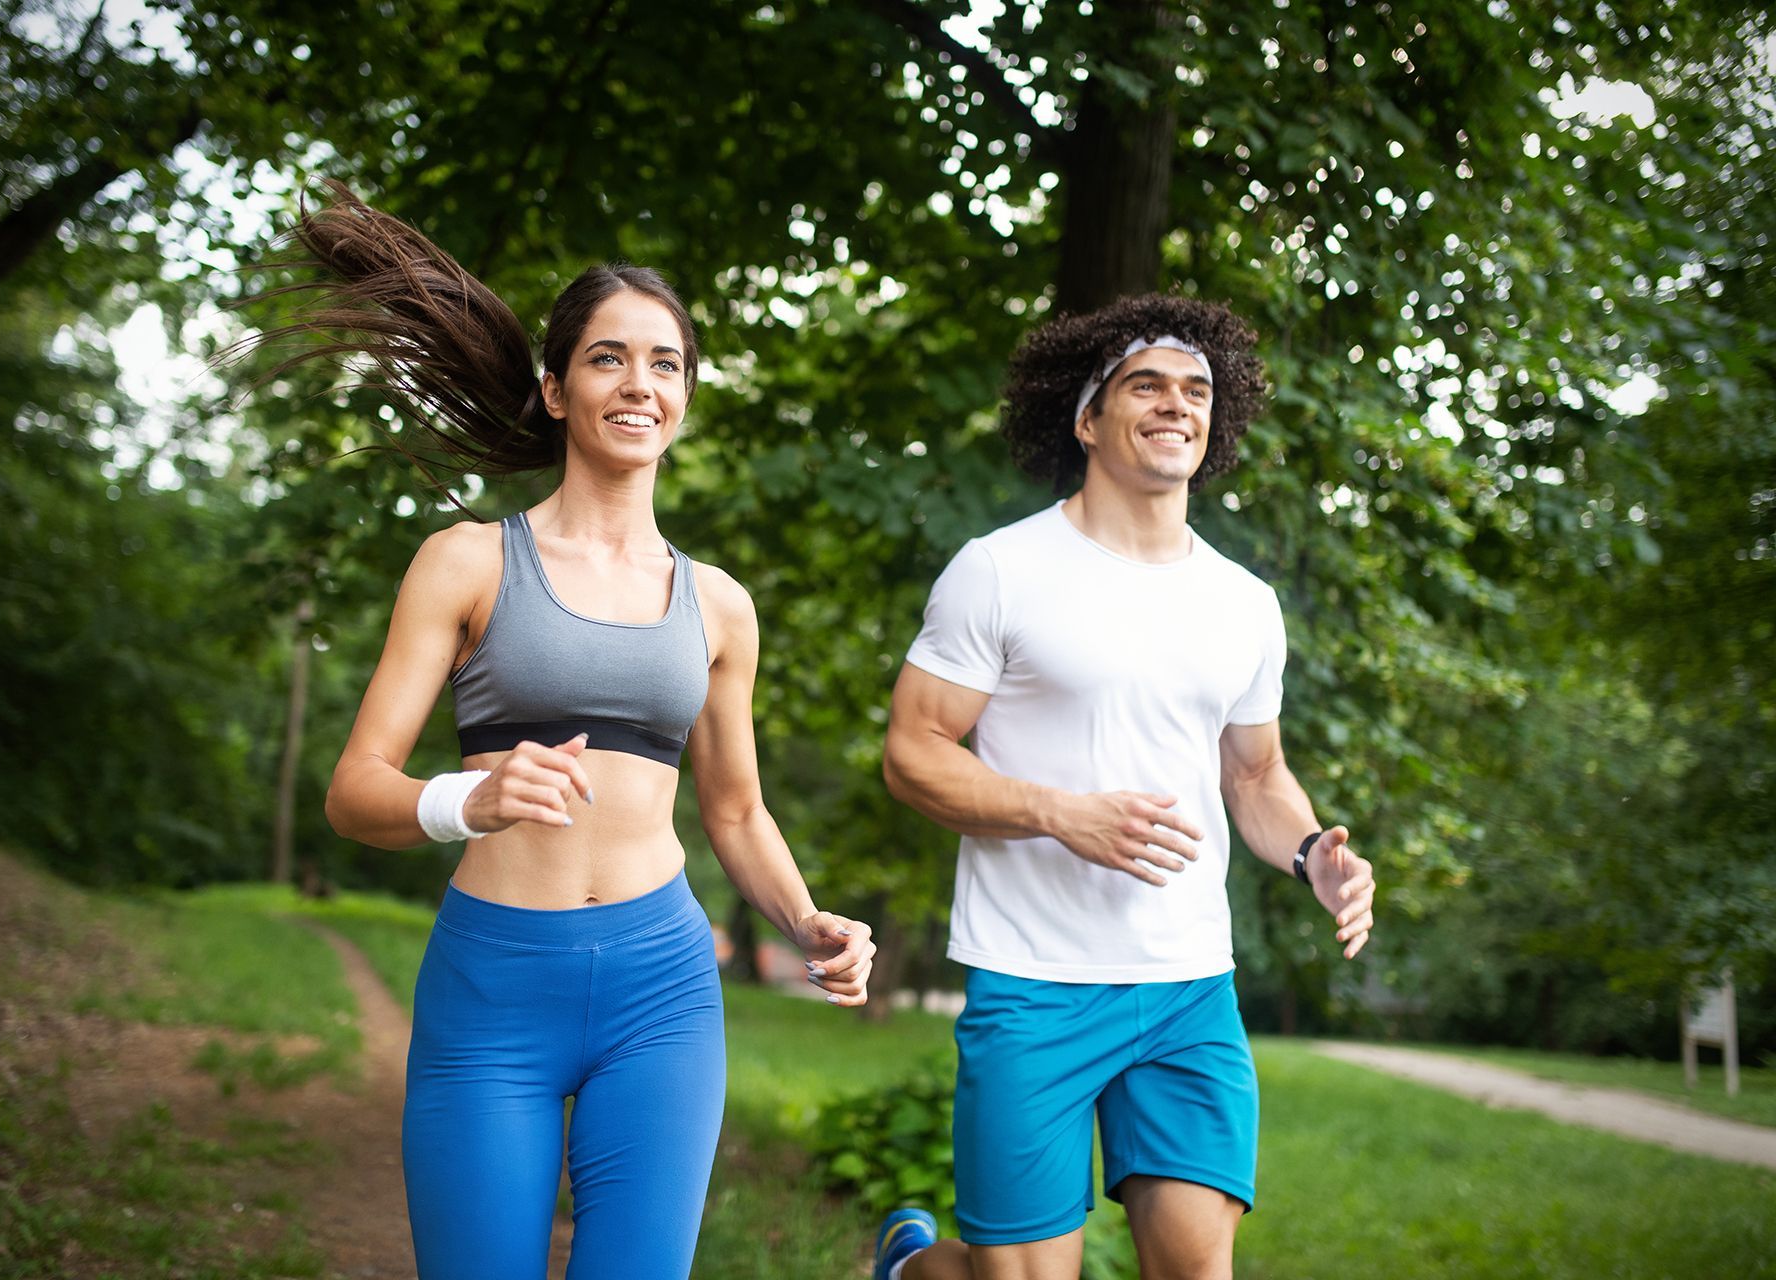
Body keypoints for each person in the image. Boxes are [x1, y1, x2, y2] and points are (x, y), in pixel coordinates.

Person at [248, 183, 876, 1280]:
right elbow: (356, 789)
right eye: (607, 357)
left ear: (685, 392)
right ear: (554, 387)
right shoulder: (468, 561)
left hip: (663, 983)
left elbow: (734, 809)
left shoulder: (718, 604)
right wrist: (468, 799)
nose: (640, 383)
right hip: (494, 982)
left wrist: (807, 913)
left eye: (666, 362)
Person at [873, 294, 1375, 1280]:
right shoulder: (1001, 571)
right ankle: (916, 1266)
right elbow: (913, 750)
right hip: (1032, 981)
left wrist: (1314, 851)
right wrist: (1057, 811)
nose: (1176, 402)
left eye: (1197, 389)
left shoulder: (1243, 602)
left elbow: (1257, 773)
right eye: (1146, 384)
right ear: (1087, 417)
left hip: (1188, 986)